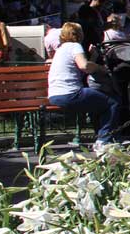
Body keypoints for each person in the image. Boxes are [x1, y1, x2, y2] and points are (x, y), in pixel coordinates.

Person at [47, 22, 121, 152]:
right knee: (112, 102)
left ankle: (102, 135)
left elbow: (81, 69)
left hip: (54, 95)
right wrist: (101, 68)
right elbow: (84, 66)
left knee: (96, 103)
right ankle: (104, 140)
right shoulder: (75, 46)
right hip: (71, 93)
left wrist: (93, 55)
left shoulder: (61, 49)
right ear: (78, 34)